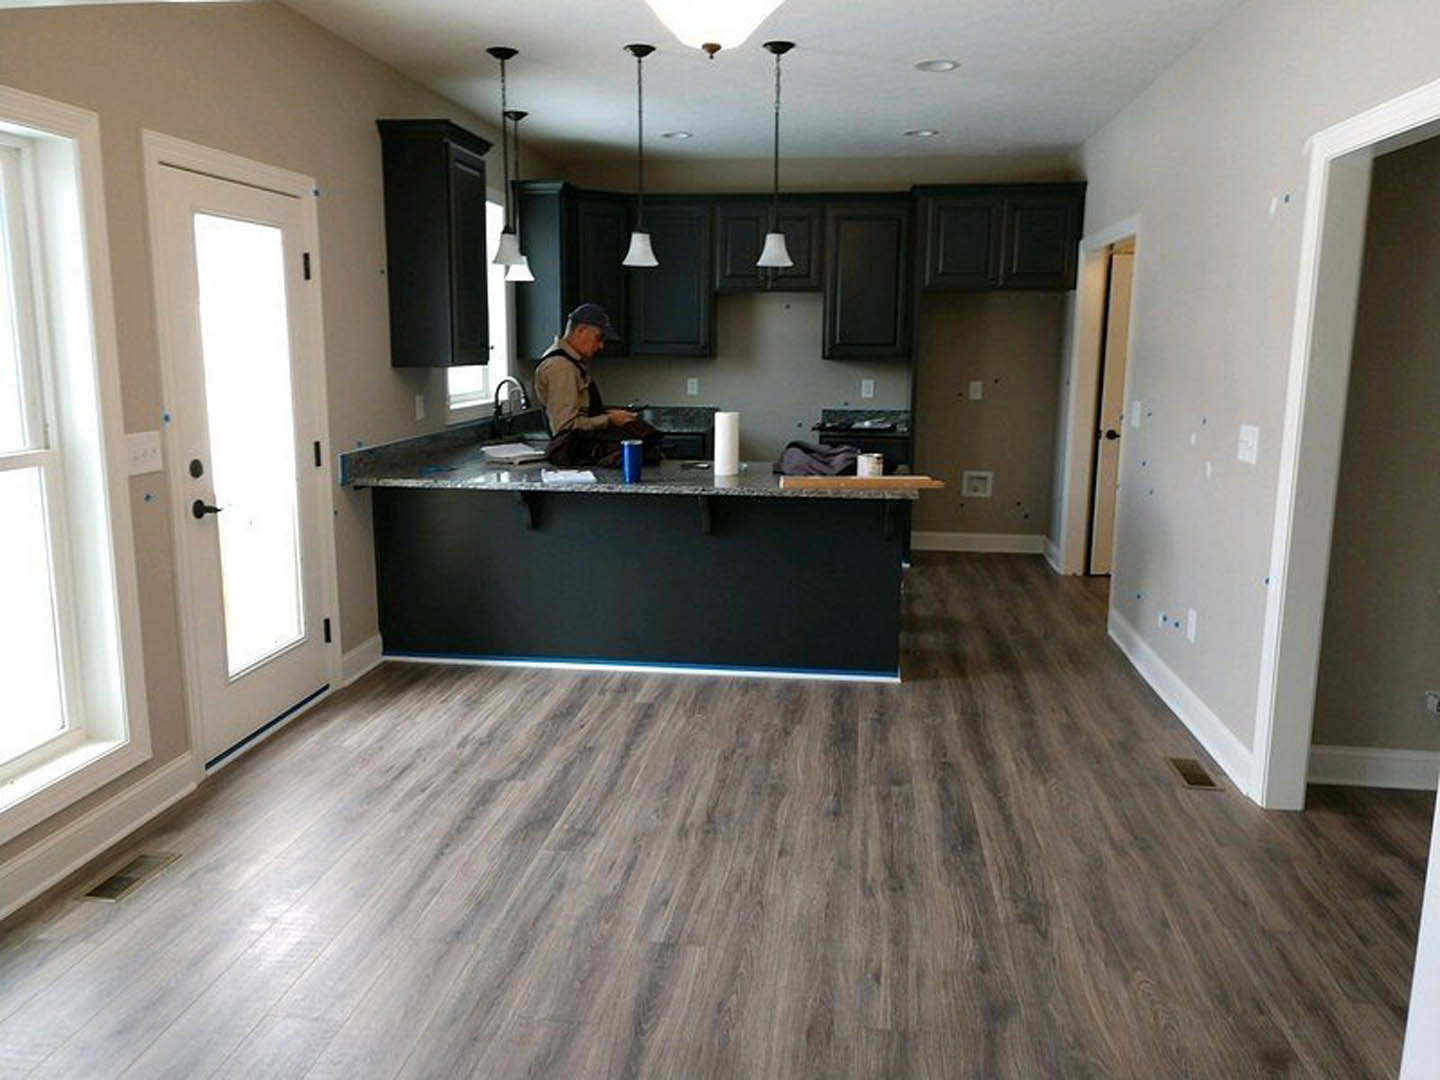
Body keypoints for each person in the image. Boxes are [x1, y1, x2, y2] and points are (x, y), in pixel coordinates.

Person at [533, 303, 636, 436]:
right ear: (581, 330)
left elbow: (578, 412)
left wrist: (608, 414)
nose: (601, 346)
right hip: (572, 453)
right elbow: (565, 427)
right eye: (598, 338)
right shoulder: (561, 366)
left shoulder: (571, 362)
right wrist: (608, 419)